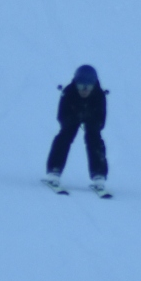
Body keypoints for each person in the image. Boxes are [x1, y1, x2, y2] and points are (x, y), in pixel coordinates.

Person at [45, 65, 107, 194]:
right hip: (72, 116)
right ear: (75, 83)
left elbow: (101, 120)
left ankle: (99, 174)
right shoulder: (68, 92)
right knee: (64, 136)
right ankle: (54, 170)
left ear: (94, 85)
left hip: (91, 117)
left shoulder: (99, 95)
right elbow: (61, 116)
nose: (84, 90)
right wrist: (71, 121)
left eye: (88, 87)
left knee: (94, 139)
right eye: (80, 86)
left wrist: (93, 124)